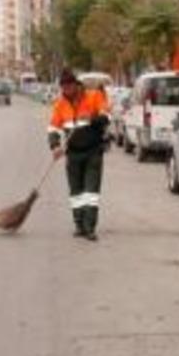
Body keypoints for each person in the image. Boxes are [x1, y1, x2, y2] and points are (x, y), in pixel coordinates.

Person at [48, 70, 110, 241]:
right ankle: (79, 225)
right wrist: (55, 146)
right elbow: (53, 127)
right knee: (76, 192)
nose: (66, 89)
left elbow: (107, 117)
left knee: (91, 191)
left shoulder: (94, 96)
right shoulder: (60, 104)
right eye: (63, 87)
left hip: (93, 151)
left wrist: (91, 118)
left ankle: (90, 228)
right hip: (73, 153)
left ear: (76, 85)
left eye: (69, 86)